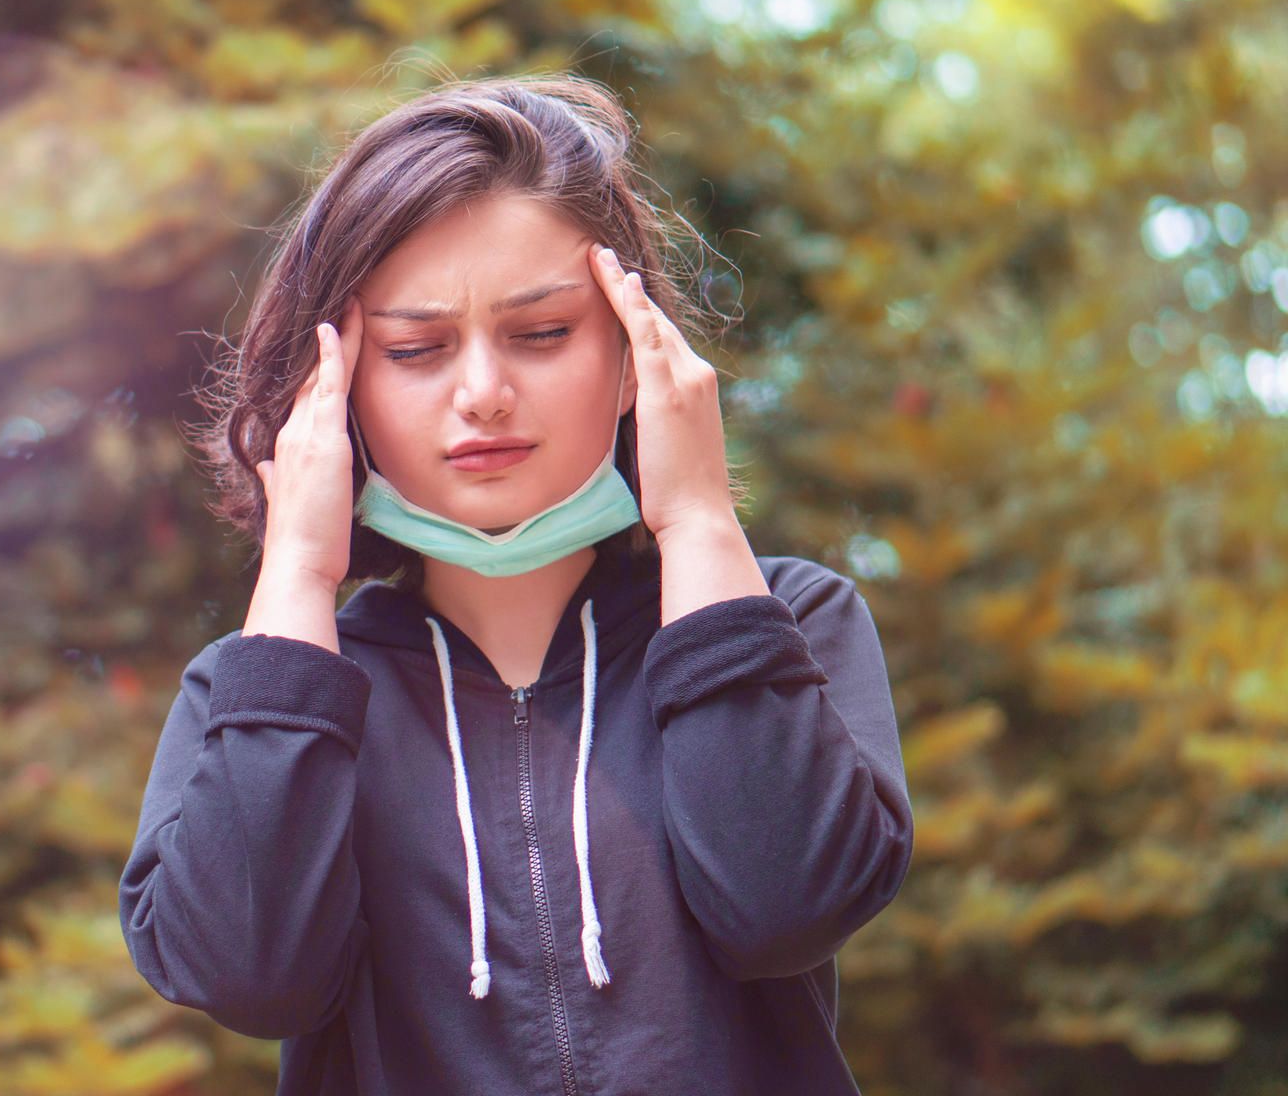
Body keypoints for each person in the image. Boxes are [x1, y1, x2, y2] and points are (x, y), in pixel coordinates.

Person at [118, 73, 913, 1096]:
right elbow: (249, 975)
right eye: (414, 348)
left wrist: (696, 520)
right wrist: (297, 572)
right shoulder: (256, 689)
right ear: (335, 393)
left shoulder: (788, 621)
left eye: (540, 334)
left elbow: (782, 907)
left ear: (634, 355)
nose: (482, 394)